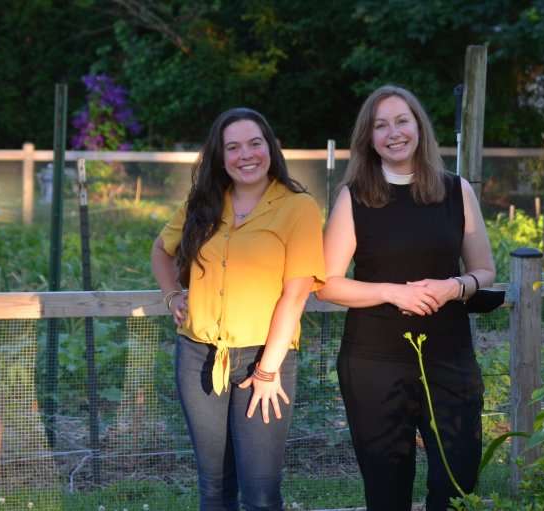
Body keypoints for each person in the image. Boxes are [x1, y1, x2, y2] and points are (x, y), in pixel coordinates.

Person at [316, 85, 496, 511]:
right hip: (374, 363)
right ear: (368, 138)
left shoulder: (457, 191)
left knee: (458, 485)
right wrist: (390, 292)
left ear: (419, 127)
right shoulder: (354, 197)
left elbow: (485, 271)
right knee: (387, 493)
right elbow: (326, 282)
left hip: (451, 360)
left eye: (401, 121)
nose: (393, 133)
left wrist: (455, 286)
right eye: (381, 126)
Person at [151, 107, 325, 511]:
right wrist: (172, 295)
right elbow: (161, 250)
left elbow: (295, 295)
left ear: (270, 148)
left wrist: (268, 370)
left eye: (254, 143)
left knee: (261, 492)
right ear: (220, 156)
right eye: (233, 147)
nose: (245, 155)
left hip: (264, 362)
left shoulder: (298, 208)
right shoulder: (203, 202)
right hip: (198, 355)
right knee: (214, 487)